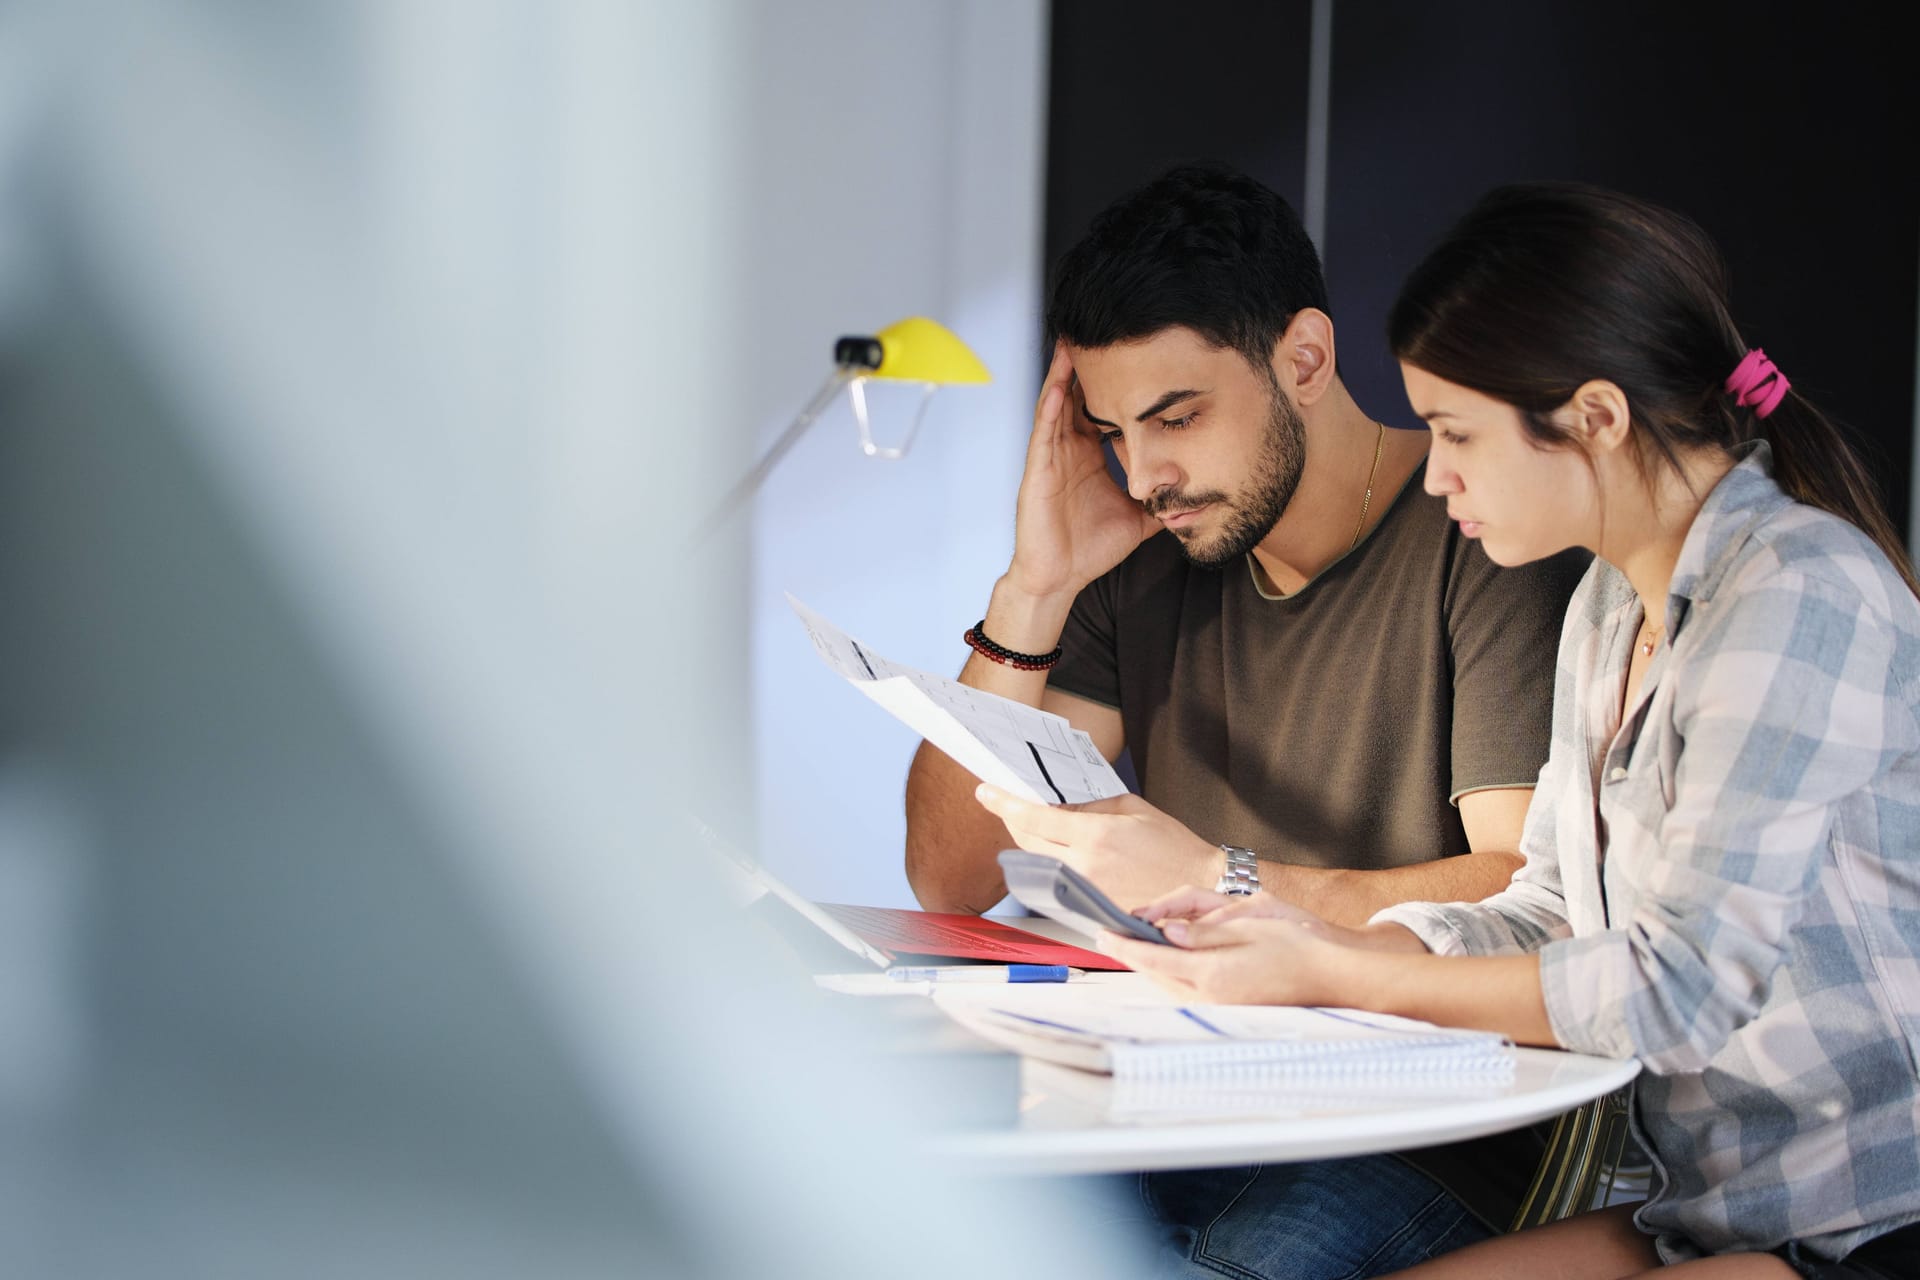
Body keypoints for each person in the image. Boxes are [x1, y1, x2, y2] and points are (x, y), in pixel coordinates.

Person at [1019, 182, 1920, 1279]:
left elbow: (1678, 988)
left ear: (1594, 418)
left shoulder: (1796, 589)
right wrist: (1314, 947)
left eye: (1456, 432)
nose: (1435, 471)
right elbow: (1546, 905)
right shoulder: (1606, 605)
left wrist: (1345, 975)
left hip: (1865, 1220)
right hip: (1710, 1206)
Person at [905, 164, 1587, 1274]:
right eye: (1114, 430)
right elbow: (951, 875)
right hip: (1170, 1093)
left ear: (1304, 358)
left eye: (1177, 415)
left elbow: (1521, 889)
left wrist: (1222, 873)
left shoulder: (1482, 533)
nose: (1148, 471)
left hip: (1415, 1128)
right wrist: (1031, 588)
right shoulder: (1145, 550)